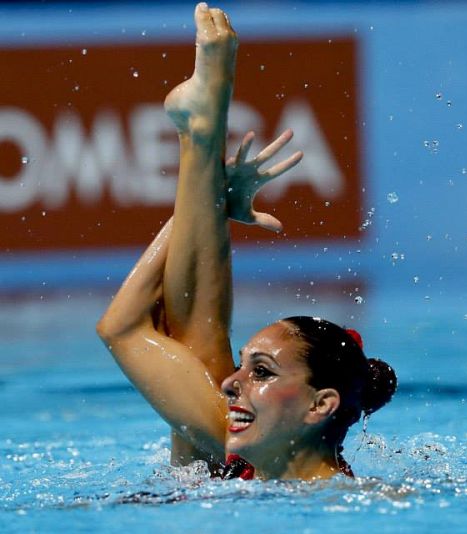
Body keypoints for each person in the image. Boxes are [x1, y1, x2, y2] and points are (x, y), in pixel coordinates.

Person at [96, 3, 396, 481]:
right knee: (197, 347)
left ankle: (201, 132)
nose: (231, 383)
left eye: (262, 372)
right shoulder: (242, 463)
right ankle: (201, 132)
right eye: (247, 367)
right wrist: (208, 197)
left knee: (196, 345)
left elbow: (125, 328)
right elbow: (136, 328)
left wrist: (208, 195)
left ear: (321, 404)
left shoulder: (362, 506)